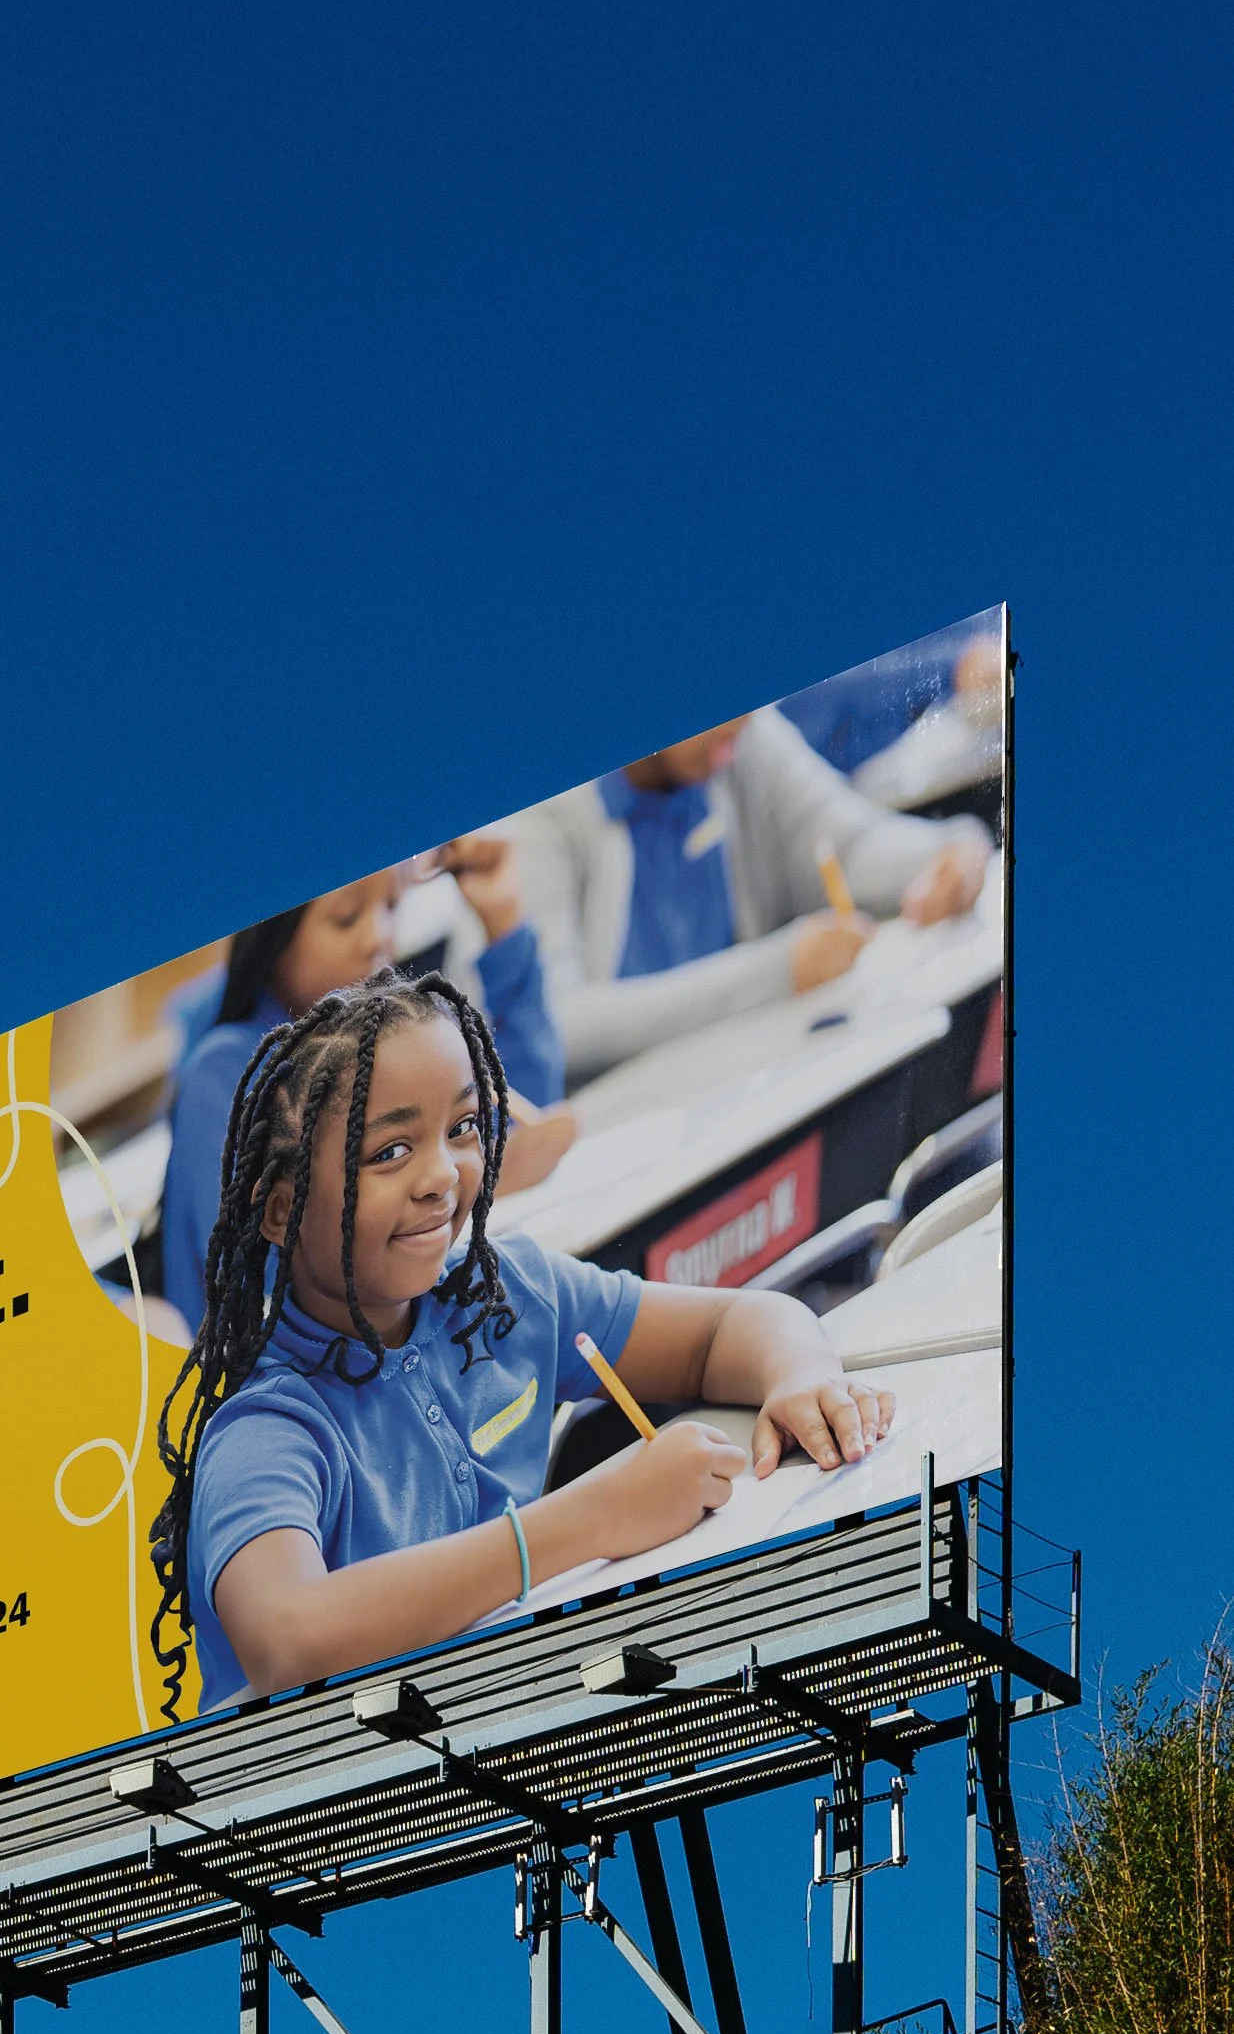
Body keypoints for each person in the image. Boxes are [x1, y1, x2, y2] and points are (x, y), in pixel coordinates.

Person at [150, 967, 891, 1712]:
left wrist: (800, 1372)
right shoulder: (268, 1429)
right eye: (389, 1153)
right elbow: (289, 1638)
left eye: (462, 1128)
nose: (442, 1175)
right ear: (280, 1212)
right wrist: (592, 1517)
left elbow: (725, 1328)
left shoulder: (504, 1295)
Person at [154, 852, 573, 1336]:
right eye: (346, 917)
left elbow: (519, 1127)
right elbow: (279, 1286)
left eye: (392, 907)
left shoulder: (387, 1044)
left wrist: (503, 926)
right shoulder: (230, 1072)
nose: (378, 937)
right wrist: (488, 1186)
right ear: (273, 931)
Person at [499, 704, 994, 1084]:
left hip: (745, 1074)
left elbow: (849, 844)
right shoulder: (536, 816)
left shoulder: (741, 737)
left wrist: (948, 851)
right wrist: (776, 971)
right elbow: (557, 1022)